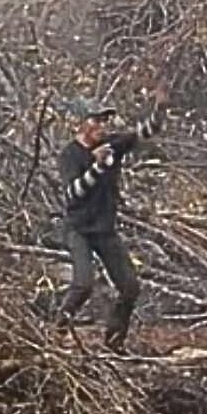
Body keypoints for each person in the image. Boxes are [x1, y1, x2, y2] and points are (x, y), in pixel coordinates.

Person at [55, 88, 166, 351]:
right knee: (83, 284)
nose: (101, 126)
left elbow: (145, 132)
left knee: (130, 287)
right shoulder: (69, 155)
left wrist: (160, 108)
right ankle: (59, 329)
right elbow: (73, 194)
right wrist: (98, 166)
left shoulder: (113, 145)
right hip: (78, 229)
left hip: (105, 229)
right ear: (79, 123)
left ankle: (114, 342)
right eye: (96, 120)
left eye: (104, 120)